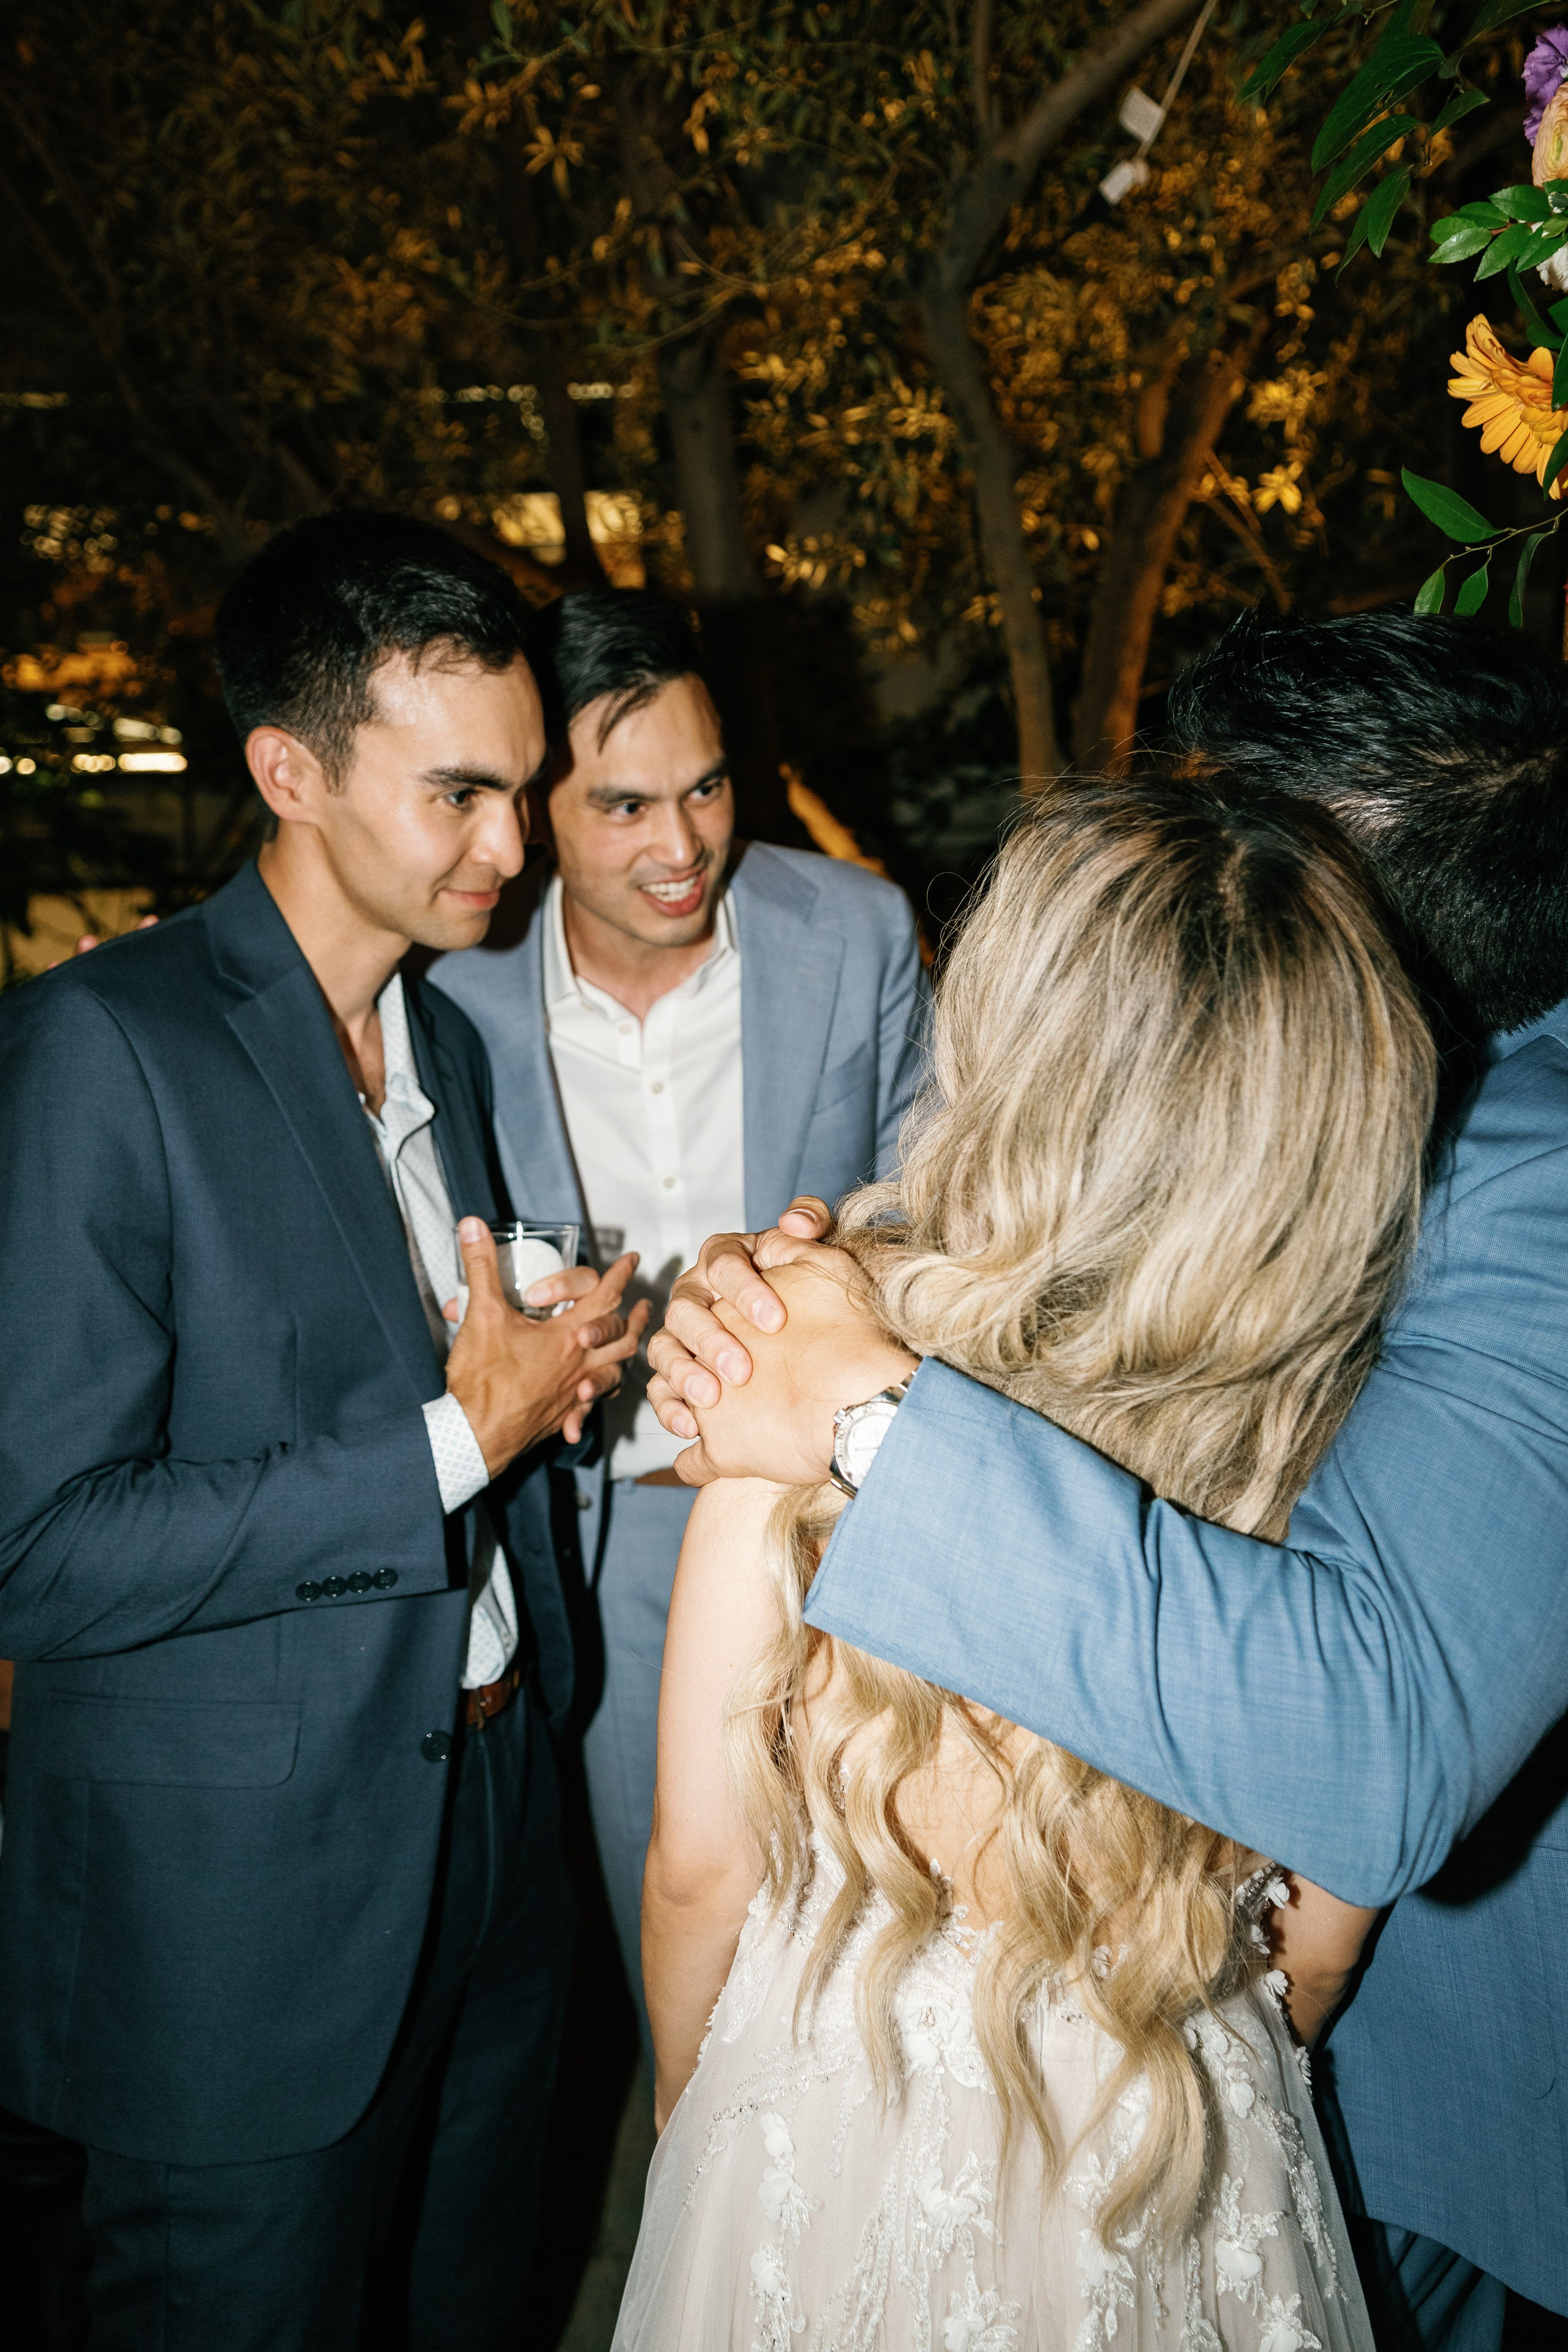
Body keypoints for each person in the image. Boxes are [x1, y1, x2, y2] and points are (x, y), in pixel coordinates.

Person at [648, 608, 1568, 2352]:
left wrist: (859, 1406)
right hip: (1203, 2125)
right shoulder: (1276, 1412)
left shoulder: (1543, 1179)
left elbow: (1367, 1756)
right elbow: (1314, 1953)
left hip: (1426, 2132)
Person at [0, 511, 646, 2352]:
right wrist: (458, 1439)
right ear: (286, 771)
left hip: (494, 1823)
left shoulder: (435, 1037)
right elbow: (34, 1551)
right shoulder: (98, 1049)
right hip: (241, 1922)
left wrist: (542, 1401)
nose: (511, 851)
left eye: (522, 793)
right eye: (459, 795)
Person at [428, 585, 927, 2056]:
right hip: (589, 1537)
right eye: (626, 805)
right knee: (682, 1953)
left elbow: (939, 1200)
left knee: (871, 1947)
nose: (682, 845)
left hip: (830, 1510)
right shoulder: (450, 988)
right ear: (538, 809)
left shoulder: (853, 928)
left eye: (705, 787)